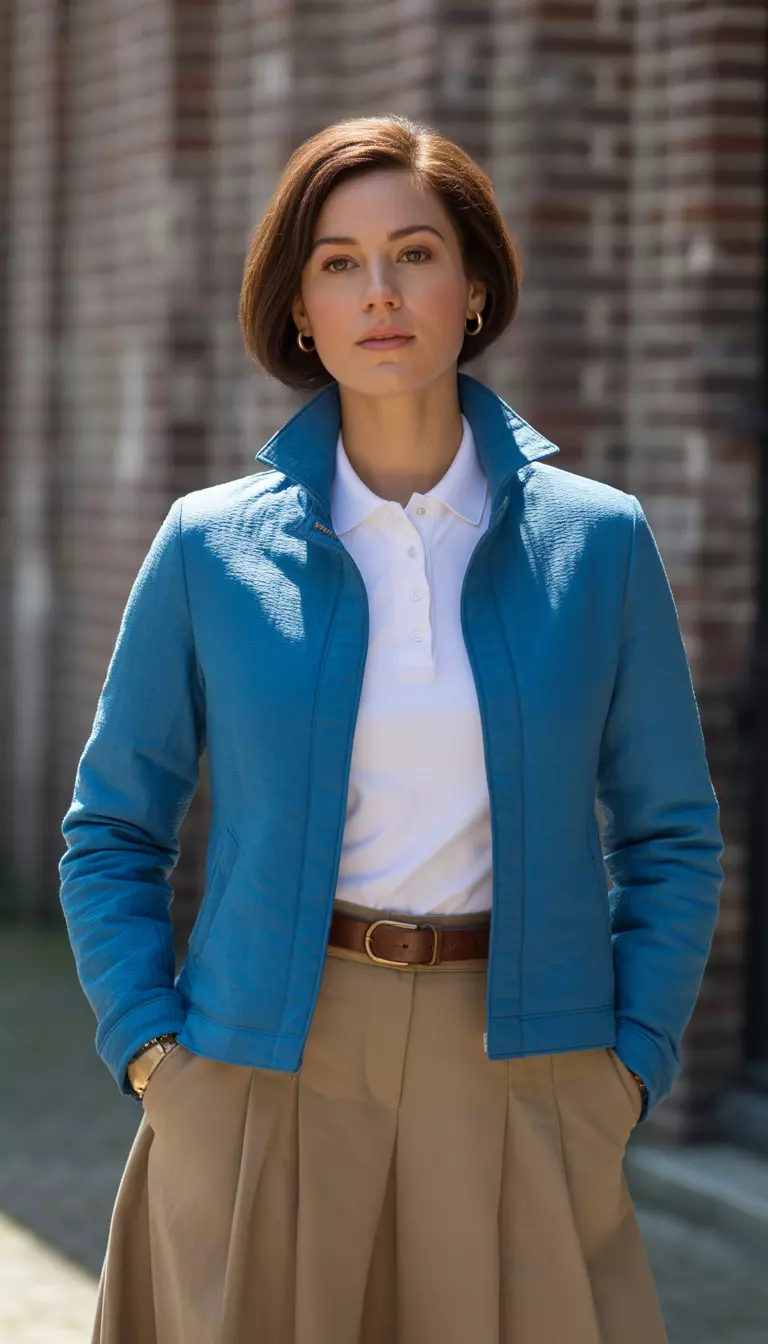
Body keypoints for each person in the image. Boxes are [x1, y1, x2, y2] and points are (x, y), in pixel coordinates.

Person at [59, 114, 723, 1344]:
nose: (380, 293)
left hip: (528, 1061)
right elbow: (111, 828)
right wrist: (158, 1057)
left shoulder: (601, 542)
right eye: (338, 261)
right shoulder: (209, 546)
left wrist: (625, 1063)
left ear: (473, 288)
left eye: (414, 254)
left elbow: (673, 831)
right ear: (300, 307)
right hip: (263, 1062)